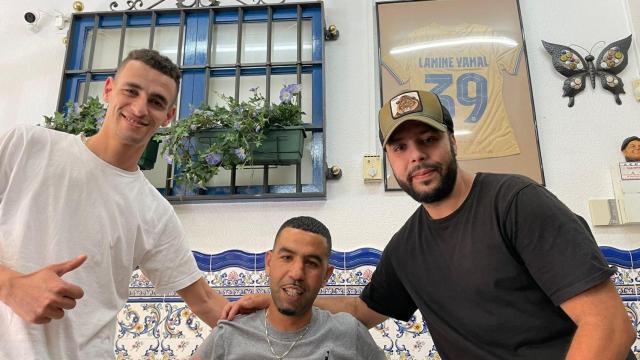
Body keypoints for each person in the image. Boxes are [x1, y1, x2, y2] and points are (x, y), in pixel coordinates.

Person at [223, 90, 637, 360]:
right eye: (400, 147)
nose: (415, 156)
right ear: (389, 159)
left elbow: (610, 327)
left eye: (428, 140)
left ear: (453, 142)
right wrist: (273, 299)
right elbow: (360, 310)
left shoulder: (516, 203)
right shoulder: (406, 249)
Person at [0, 49, 228, 359]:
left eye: (156, 101)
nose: (139, 108)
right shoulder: (26, 146)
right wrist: (11, 286)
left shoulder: (155, 212)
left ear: (168, 117)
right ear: (109, 89)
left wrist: (279, 321)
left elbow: (205, 301)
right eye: (131, 91)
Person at [193, 216, 385, 360]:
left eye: (311, 263)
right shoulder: (229, 334)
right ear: (269, 263)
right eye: (286, 258)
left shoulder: (349, 333)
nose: (297, 273)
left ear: (326, 275)